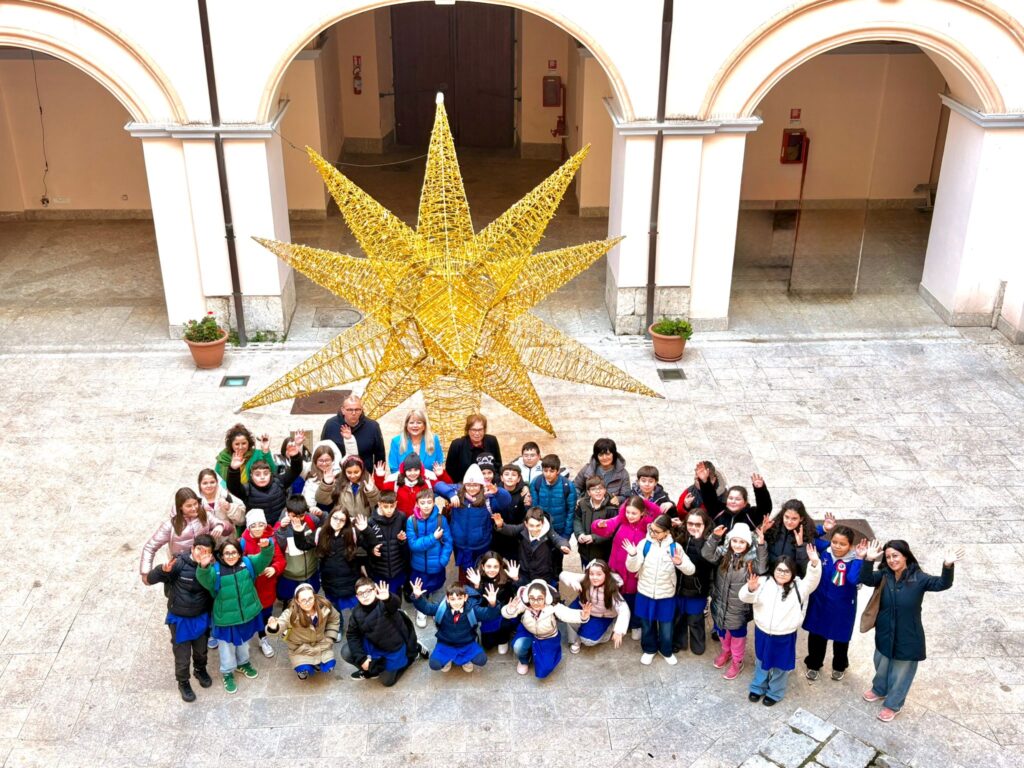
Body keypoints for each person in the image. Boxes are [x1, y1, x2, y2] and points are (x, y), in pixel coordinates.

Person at [859, 538, 962, 722]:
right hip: (884, 631)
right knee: (881, 663)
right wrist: (868, 560)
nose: (892, 560)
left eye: (895, 555)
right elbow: (866, 579)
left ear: (905, 556)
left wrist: (947, 566)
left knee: (901, 673)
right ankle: (879, 689)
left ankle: (893, 704)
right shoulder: (884, 575)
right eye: (888, 557)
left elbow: (942, 584)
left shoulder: (919, 578)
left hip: (908, 635)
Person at [739, 547, 822, 706]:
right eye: (779, 570)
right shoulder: (763, 582)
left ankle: (775, 692)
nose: (782, 573)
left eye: (786, 571)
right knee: (761, 660)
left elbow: (813, 580)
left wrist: (814, 563)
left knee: (780, 665)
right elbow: (744, 597)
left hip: (785, 634)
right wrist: (750, 589)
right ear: (774, 569)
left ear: (792, 573)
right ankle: (758, 686)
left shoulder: (799, 586)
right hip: (763, 631)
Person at [196, 537, 276, 693]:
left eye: (234, 552)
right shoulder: (215, 571)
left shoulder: (248, 563)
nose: (231, 556)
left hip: (245, 616)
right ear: (221, 555)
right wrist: (203, 567)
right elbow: (205, 579)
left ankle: (243, 663)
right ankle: (227, 672)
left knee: (244, 643)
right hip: (225, 619)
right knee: (226, 648)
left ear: (240, 553)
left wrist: (267, 547)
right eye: (227, 553)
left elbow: (264, 558)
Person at [143, 533, 216, 702]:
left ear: (211, 554)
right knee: (182, 656)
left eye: (206, 551)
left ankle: (200, 670)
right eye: (199, 549)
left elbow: (214, 589)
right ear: (192, 548)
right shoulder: (178, 563)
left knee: (201, 651)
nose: (201, 554)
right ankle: (183, 682)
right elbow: (150, 580)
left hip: (200, 616)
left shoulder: (211, 569)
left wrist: (205, 568)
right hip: (180, 619)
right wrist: (162, 570)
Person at [625, 514, 696, 666]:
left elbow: (691, 570)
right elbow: (632, 568)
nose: (652, 533)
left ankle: (666, 650)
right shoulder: (644, 544)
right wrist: (632, 555)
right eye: (651, 529)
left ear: (667, 532)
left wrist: (680, 563)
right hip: (645, 593)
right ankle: (649, 649)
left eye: (656, 531)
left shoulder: (675, 548)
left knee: (666, 626)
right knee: (647, 625)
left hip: (666, 595)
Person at [804, 515, 868, 682]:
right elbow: (808, 537)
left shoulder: (855, 560)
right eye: (835, 542)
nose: (837, 546)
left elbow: (853, 580)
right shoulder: (824, 550)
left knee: (840, 638)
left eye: (843, 544)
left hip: (842, 606)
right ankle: (814, 664)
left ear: (850, 545)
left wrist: (859, 559)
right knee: (816, 635)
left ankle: (839, 666)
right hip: (819, 602)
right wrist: (823, 529)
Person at [702, 521, 767, 680]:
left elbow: (762, 568)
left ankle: (737, 661)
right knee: (722, 631)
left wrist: (761, 545)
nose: (737, 545)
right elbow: (707, 554)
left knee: (737, 637)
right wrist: (714, 538)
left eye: (742, 542)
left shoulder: (751, 559)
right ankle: (726, 652)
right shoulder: (723, 553)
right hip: (720, 603)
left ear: (748, 543)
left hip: (739, 608)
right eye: (735, 541)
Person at [295, 506, 379, 629]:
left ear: (346, 522)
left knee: (358, 609)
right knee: (334, 611)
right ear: (330, 517)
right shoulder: (320, 532)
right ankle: (338, 628)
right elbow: (303, 545)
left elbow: (372, 544)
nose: (337, 522)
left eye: (342, 520)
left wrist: (366, 530)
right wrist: (298, 532)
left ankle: (361, 627)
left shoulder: (352, 533)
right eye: (335, 518)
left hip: (351, 582)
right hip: (330, 583)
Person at [592, 496, 660, 640]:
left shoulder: (648, 526)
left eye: (634, 513)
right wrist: (599, 524)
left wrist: (643, 500)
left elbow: (658, 513)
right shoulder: (621, 520)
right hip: (617, 569)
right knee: (618, 597)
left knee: (635, 599)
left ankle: (635, 625)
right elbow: (601, 529)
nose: (630, 516)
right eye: (628, 512)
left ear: (642, 512)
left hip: (636, 571)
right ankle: (620, 621)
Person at [502, 579, 590, 678]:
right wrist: (509, 610)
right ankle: (524, 660)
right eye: (532, 598)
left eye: (540, 598)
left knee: (546, 667)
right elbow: (507, 613)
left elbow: (567, 614)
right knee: (518, 646)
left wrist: (582, 616)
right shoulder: (525, 604)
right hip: (527, 632)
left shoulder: (554, 607)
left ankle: (539, 651)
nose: (535, 602)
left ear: (546, 598)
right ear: (527, 598)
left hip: (547, 637)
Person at [435, 463, 511, 575]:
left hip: (481, 544)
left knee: (480, 571)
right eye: (468, 485)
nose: (471, 488)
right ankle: (463, 585)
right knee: (463, 572)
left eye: (475, 485)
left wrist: (497, 492)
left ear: (481, 485)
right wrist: (451, 494)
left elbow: (506, 500)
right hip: (459, 544)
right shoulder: (457, 492)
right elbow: (438, 486)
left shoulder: (488, 498)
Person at [343, 578, 423, 685]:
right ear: (357, 597)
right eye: (361, 593)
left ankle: (414, 651)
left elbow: (395, 604)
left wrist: (388, 598)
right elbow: (352, 635)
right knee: (346, 652)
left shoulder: (384, 603)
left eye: (368, 591)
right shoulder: (356, 612)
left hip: (393, 648)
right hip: (373, 645)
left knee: (387, 682)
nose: (365, 596)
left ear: (375, 590)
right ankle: (371, 671)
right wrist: (361, 659)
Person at [412, 580, 501, 673]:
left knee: (481, 659)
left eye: (459, 598)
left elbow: (489, 615)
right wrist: (417, 597)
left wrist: (493, 604)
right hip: (446, 644)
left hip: (467, 644)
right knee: (434, 664)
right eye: (453, 599)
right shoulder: (441, 608)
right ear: (447, 599)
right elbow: (426, 608)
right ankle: (448, 659)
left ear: (465, 598)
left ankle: (465, 660)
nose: (456, 602)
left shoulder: (472, 610)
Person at [227, 432, 306, 526]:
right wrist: (234, 469)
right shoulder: (247, 490)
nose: (262, 477)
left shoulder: (279, 482)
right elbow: (233, 486)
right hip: (258, 530)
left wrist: (295, 456)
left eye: (265, 473)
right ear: (251, 476)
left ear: (270, 474)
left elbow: (296, 470)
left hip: (281, 527)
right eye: (257, 474)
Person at [266, 583, 340, 679]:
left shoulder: (325, 606)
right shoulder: (290, 613)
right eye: (303, 600)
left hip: (322, 644)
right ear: (297, 601)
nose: (308, 602)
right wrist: (273, 627)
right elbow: (281, 623)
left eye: (310, 598)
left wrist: (330, 637)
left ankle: (316, 664)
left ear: (314, 596)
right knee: (304, 669)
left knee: (329, 666)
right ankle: (304, 668)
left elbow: (335, 618)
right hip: (300, 648)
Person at [139, 488, 217, 580]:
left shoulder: (204, 515)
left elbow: (224, 526)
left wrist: (220, 526)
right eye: (189, 506)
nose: (194, 508)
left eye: (195, 504)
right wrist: (146, 573)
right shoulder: (170, 526)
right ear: (180, 507)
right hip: (182, 569)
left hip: (206, 564)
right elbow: (150, 547)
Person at [239, 508, 285, 658]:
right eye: (254, 525)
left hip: (266, 586)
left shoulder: (271, 540)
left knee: (265, 614)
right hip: (250, 587)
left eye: (261, 524)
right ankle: (244, 640)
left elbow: (280, 560)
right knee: (250, 614)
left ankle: (262, 638)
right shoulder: (243, 542)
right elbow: (238, 563)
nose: (258, 528)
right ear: (248, 527)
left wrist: (274, 568)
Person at [406, 487, 453, 627]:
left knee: (437, 587)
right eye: (422, 503)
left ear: (434, 503)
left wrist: (443, 560)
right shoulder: (411, 521)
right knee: (420, 588)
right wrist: (433, 537)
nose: (426, 506)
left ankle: (436, 609)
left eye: (429, 502)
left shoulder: (441, 520)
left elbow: (448, 541)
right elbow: (413, 545)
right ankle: (421, 610)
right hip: (418, 566)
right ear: (417, 504)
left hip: (437, 564)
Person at [560, 560, 630, 654]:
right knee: (567, 615)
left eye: (599, 574)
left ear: (606, 574)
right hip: (585, 606)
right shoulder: (586, 578)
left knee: (588, 640)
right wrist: (571, 581)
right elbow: (563, 574)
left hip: (602, 615)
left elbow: (624, 609)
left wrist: (619, 630)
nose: (594, 577)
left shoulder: (611, 589)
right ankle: (575, 640)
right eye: (591, 574)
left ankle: (607, 627)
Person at [493, 507, 571, 586]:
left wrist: (564, 545)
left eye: (538, 525)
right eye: (531, 525)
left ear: (543, 523)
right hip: (525, 571)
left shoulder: (548, 531)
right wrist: (501, 525)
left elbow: (557, 539)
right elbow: (512, 530)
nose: (535, 529)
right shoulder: (523, 528)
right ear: (526, 524)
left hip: (542, 574)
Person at [673, 509, 715, 655]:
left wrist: (698, 542)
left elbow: (707, 564)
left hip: (697, 589)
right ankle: (679, 642)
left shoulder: (710, 541)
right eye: (690, 523)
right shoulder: (681, 536)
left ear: (705, 525)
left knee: (695, 619)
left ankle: (698, 643)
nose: (693, 527)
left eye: (698, 524)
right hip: (679, 587)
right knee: (679, 617)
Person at [466, 552, 520, 654]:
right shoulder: (476, 578)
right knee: (488, 645)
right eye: (488, 566)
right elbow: (475, 604)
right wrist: (477, 586)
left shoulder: (507, 577)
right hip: (488, 614)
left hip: (504, 613)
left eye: (495, 566)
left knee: (505, 625)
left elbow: (520, 593)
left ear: (500, 567)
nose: (492, 570)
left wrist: (516, 579)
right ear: (483, 566)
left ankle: (503, 640)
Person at [697, 462, 772, 532]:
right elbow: (709, 498)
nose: (733, 501)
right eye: (730, 498)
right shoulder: (718, 510)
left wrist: (760, 490)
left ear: (745, 502)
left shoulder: (751, 515)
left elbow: (765, 508)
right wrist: (704, 481)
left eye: (738, 499)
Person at [272, 497, 321, 602]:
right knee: (289, 600)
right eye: (294, 516)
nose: (298, 519)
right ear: (288, 512)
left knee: (312, 597)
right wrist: (282, 529)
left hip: (310, 570)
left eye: (301, 516)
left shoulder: (313, 520)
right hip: (290, 574)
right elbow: (279, 546)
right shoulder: (281, 525)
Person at [320, 394, 386, 468]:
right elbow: (322, 450)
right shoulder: (330, 425)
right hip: (337, 472)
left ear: (361, 410)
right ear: (343, 410)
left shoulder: (373, 426)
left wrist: (379, 473)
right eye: (350, 410)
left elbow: (380, 455)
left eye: (357, 410)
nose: (354, 413)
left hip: (365, 472)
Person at [376, 453, 449, 516]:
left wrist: (441, 475)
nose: (413, 473)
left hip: (422, 520)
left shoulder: (428, 481)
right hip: (401, 521)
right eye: (409, 470)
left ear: (420, 470)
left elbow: (447, 488)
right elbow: (381, 491)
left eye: (416, 470)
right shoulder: (395, 482)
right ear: (404, 471)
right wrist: (379, 477)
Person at [368, 491, 409, 600]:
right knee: (382, 599)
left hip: (398, 568)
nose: (389, 510)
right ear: (379, 504)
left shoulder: (401, 517)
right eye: (385, 506)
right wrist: (372, 550)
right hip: (380, 571)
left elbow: (406, 546)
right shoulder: (371, 521)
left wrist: (402, 540)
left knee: (397, 598)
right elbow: (367, 545)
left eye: (392, 506)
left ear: (396, 504)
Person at [314, 455, 380, 521]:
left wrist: (371, 492)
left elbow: (377, 505)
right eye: (349, 472)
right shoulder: (338, 482)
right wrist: (327, 484)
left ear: (362, 470)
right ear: (344, 471)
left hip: (364, 523)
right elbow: (321, 500)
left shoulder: (368, 482)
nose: (352, 476)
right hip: (343, 522)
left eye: (356, 472)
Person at [530, 454, 576, 541]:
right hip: (541, 529)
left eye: (551, 471)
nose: (548, 474)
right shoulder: (536, 482)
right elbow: (533, 508)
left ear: (558, 471)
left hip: (560, 530)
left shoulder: (567, 485)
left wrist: (566, 534)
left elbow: (571, 512)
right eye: (545, 471)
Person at [444, 413, 502, 483]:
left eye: (480, 430)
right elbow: (450, 471)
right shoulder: (457, 444)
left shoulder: (492, 440)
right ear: (467, 430)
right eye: (473, 430)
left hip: (489, 484)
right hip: (464, 485)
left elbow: (498, 466)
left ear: (484, 429)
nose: (477, 433)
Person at [763, 499, 815, 575]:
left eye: (794, 518)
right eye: (787, 517)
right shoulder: (773, 528)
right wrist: (763, 532)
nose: (789, 522)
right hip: (770, 575)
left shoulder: (807, 535)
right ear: (782, 515)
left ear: (801, 519)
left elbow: (805, 570)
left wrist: (800, 546)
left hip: (791, 577)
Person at [573, 476, 616, 567]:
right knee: (587, 571)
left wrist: (594, 537)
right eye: (593, 489)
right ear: (588, 492)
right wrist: (580, 534)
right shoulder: (582, 504)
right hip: (585, 551)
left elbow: (613, 531)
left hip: (603, 553)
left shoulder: (612, 508)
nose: (597, 491)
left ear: (605, 490)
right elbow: (577, 519)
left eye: (600, 488)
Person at [572, 438, 630, 504]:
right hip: (588, 506)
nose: (604, 458)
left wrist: (618, 499)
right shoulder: (588, 469)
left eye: (608, 454)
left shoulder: (623, 473)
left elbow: (626, 496)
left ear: (613, 454)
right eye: (601, 455)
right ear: (596, 456)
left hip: (611, 507)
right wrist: (579, 500)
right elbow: (575, 486)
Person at [388, 408, 445, 472]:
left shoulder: (434, 440)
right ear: (406, 425)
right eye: (411, 423)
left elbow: (439, 465)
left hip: (430, 478)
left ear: (424, 426)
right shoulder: (396, 442)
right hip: (403, 478)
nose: (415, 425)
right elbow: (394, 469)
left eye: (419, 423)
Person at [197, 468, 245, 540]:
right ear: (199, 485)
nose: (209, 485)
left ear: (217, 482)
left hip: (228, 543)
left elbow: (242, 521)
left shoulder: (227, 497)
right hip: (206, 543)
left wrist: (229, 508)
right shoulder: (196, 502)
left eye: (212, 482)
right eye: (205, 483)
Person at [494, 463, 530, 561]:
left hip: (517, 537)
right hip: (497, 536)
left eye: (514, 475)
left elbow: (526, 516)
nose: (510, 477)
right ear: (501, 478)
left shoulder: (524, 493)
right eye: (506, 474)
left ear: (519, 479)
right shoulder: (495, 492)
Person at [301, 441, 343, 514]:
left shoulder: (338, 472)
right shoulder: (309, 470)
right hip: (312, 509)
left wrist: (349, 439)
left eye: (327, 460)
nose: (324, 463)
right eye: (320, 460)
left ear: (332, 460)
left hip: (332, 509)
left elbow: (351, 456)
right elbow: (297, 465)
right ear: (315, 460)